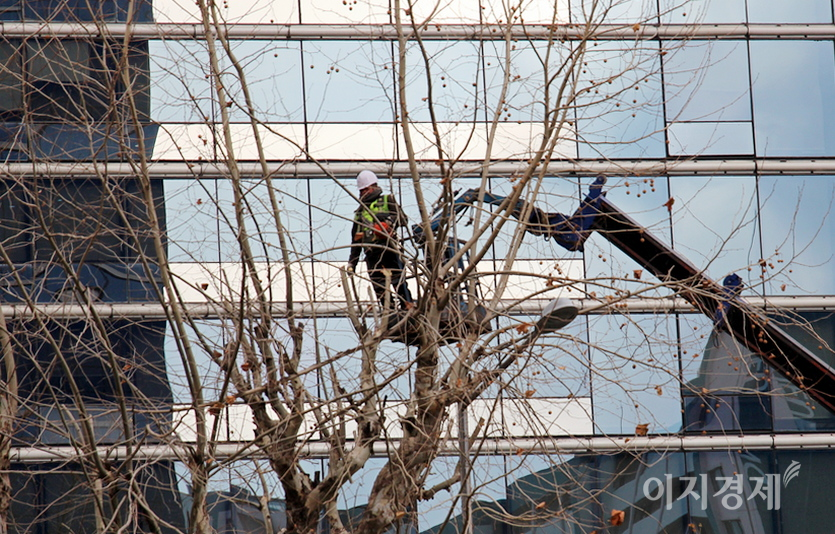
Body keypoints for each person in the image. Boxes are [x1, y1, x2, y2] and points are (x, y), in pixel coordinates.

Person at [347, 170, 414, 310]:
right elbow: (356, 240)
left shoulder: (387, 200)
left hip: (389, 249)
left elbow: (403, 219)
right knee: (380, 288)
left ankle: (407, 309)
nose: (362, 193)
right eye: (361, 191)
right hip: (371, 254)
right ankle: (388, 314)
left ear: (372, 187)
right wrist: (352, 263)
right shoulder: (360, 212)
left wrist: (387, 223)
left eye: (365, 190)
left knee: (399, 282)